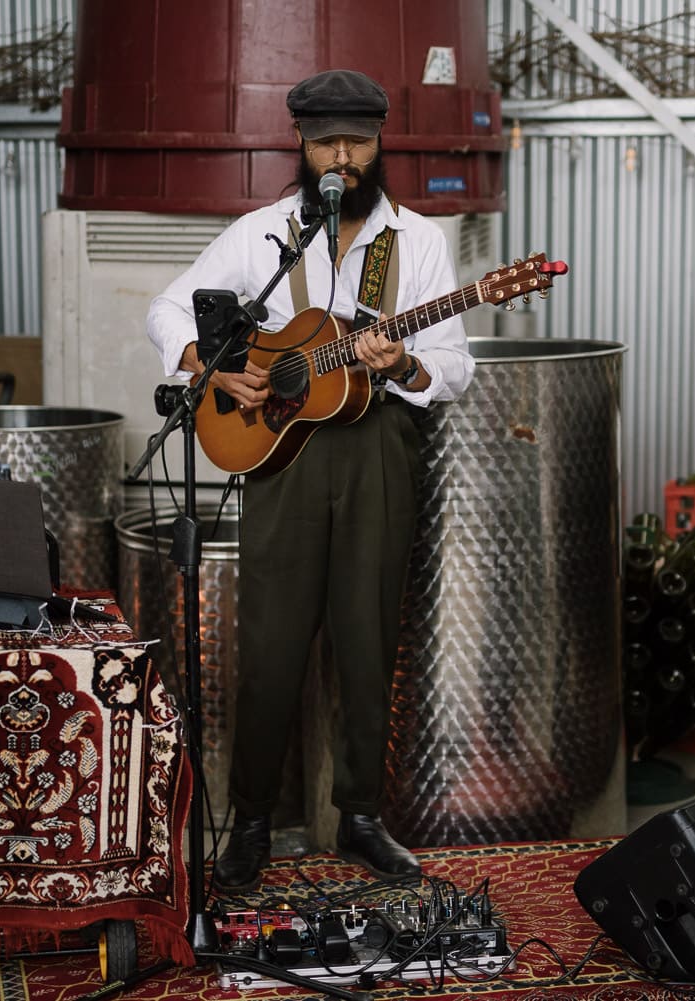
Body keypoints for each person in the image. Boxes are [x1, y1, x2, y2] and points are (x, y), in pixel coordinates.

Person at [145, 68, 475, 892]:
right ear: (300, 143)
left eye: (358, 141)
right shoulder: (261, 234)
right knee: (271, 647)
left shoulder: (419, 242)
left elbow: (457, 366)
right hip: (279, 458)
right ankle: (251, 821)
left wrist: (403, 361)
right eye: (327, 141)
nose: (343, 157)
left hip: (378, 458)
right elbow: (168, 308)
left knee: (367, 645)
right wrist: (211, 371)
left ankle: (360, 819)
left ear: (380, 142)